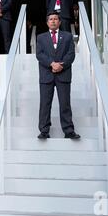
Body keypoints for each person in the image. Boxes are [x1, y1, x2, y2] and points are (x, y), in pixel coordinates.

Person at [36, 12, 80, 140]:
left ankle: (68, 130)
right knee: (45, 104)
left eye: (56, 19)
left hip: (63, 74)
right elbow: (39, 54)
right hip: (46, 75)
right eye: (51, 19)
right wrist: (51, 64)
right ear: (47, 22)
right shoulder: (41, 37)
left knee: (65, 103)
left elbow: (71, 54)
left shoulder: (67, 36)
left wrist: (61, 65)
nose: (53, 21)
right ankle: (44, 130)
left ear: (60, 22)